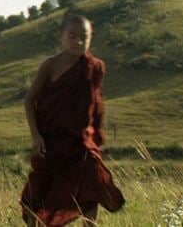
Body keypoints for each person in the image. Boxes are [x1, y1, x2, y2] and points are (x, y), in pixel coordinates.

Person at [21, 14, 124, 226]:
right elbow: (30, 100)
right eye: (72, 36)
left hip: (81, 141)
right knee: (40, 193)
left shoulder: (95, 67)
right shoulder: (50, 66)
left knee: (91, 184)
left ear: (91, 38)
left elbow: (96, 103)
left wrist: (95, 134)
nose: (78, 42)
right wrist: (36, 136)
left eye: (84, 37)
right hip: (51, 143)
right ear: (61, 36)